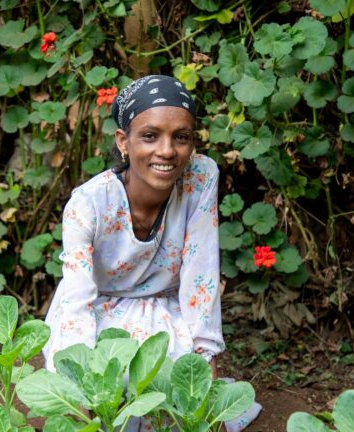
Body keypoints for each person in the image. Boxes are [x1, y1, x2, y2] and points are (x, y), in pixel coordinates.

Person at [41, 75, 260, 431]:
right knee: (111, 380)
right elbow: (78, 299)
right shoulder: (88, 204)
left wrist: (204, 375)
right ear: (123, 142)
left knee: (175, 382)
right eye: (150, 136)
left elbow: (201, 275)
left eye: (181, 137)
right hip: (99, 311)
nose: (167, 151)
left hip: (165, 311)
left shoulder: (200, 176)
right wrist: (81, 396)